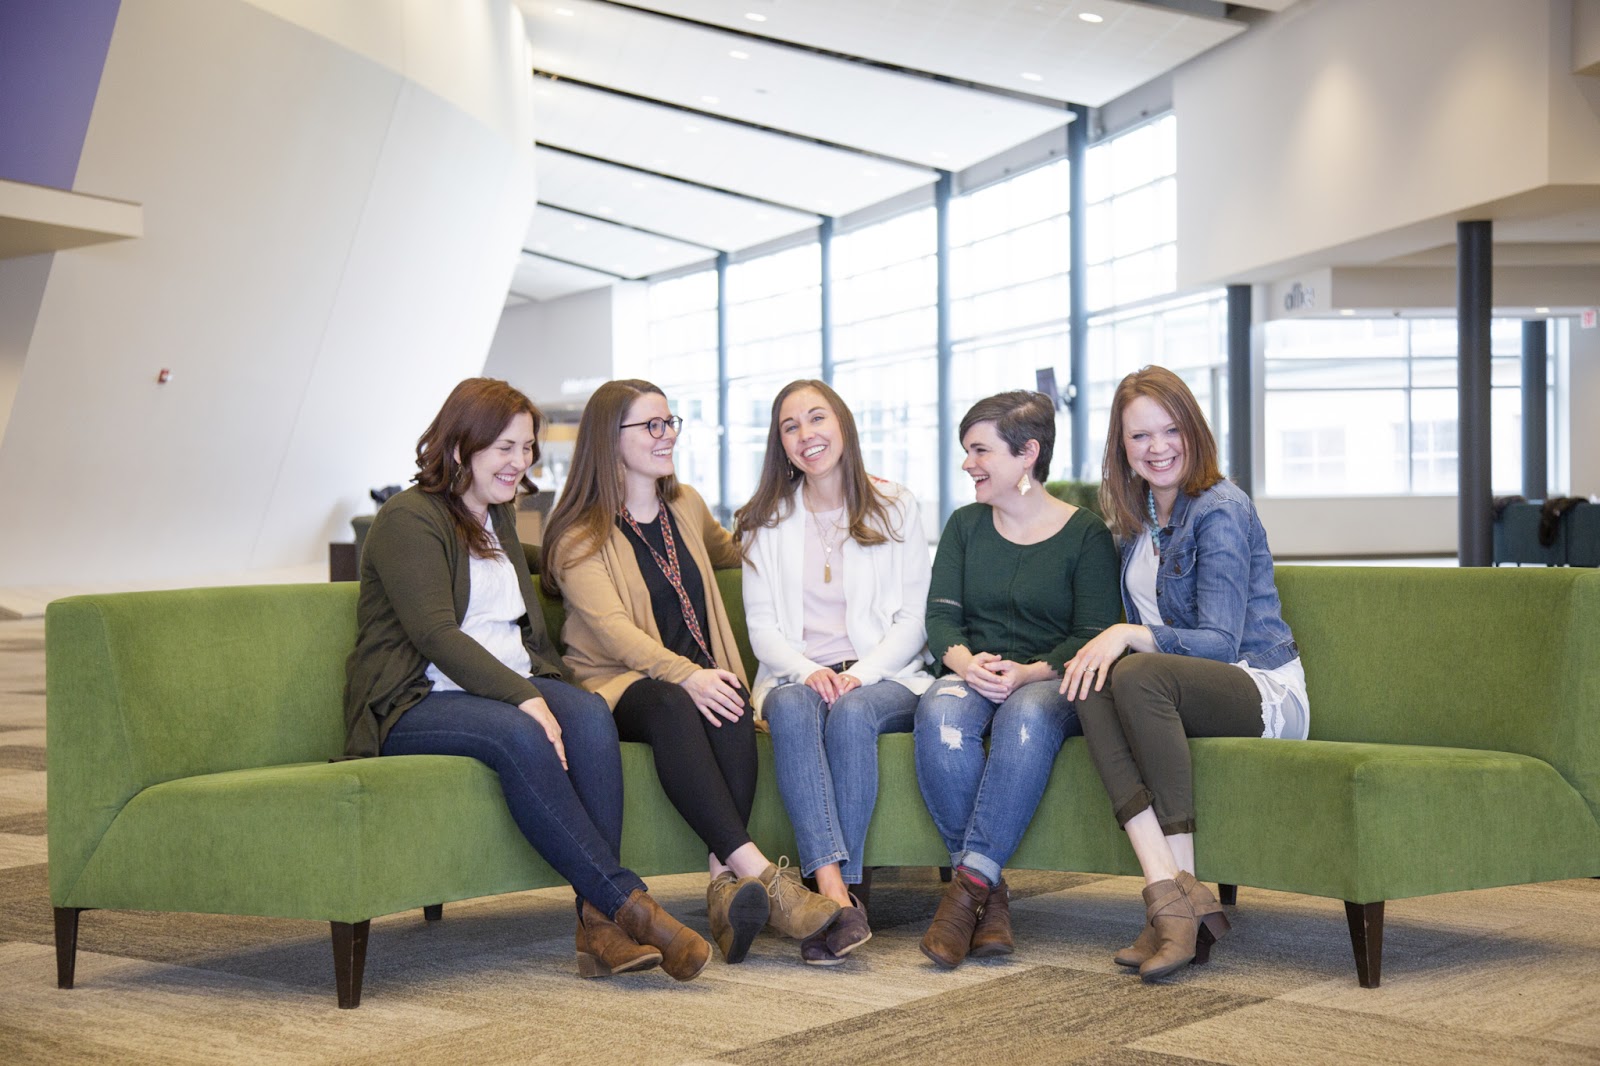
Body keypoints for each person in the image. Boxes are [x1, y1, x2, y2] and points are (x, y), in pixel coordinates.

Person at [342, 377, 710, 983]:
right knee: (522, 732)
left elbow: (523, 571)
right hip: (416, 699)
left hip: (507, 685)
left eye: (527, 447)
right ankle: (629, 906)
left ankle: (598, 924)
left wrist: (581, 552)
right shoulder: (408, 518)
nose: (521, 461)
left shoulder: (497, 514)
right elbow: (437, 634)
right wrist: (525, 700)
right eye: (505, 448)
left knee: (589, 713)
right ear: (459, 447)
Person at [541, 379, 839, 965]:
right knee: (680, 699)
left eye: (670, 422)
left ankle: (723, 888)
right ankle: (763, 877)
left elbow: (740, 549)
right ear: (610, 437)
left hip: (693, 680)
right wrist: (688, 675)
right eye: (651, 425)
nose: (667, 435)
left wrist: (814, 501)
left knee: (727, 694)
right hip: (618, 685)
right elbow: (614, 633)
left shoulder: (687, 506)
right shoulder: (578, 535)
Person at [1060, 365, 1309, 982]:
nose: (1158, 447)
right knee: (1090, 676)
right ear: (1121, 445)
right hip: (1174, 691)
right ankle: (1168, 897)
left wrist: (1126, 634)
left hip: (1258, 687)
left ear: (1193, 431)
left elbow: (1220, 645)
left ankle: (1183, 893)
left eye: (1170, 430)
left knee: (1133, 669)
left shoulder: (1220, 509)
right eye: (1140, 436)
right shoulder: (1137, 514)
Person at [914, 390, 1121, 969]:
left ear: (1027, 453)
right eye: (966, 450)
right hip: (973, 671)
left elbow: (1093, 633)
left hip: (1053, 680)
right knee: (939, 714)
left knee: (1026, 715)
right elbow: (940, 617)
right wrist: (965, 663)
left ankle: (965, 895)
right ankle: (990, 895)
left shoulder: (1086, 535)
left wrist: (1029, 672)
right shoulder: (964, 526)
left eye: (980, 450)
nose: (967, 464)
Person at [734, 380, 934, 965]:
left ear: (842, 422)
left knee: (850, 713)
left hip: (886, 676)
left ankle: (836, 899)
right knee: (791, 706)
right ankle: (836, 895)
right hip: (795, 676)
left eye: (817, 418)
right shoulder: (764, 520)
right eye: (790, 426)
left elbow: (914, 619)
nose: (806, 434)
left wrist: (860, 674)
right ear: (781, 444)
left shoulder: (895, 504)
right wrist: (807, 671)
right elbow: (762, 629)